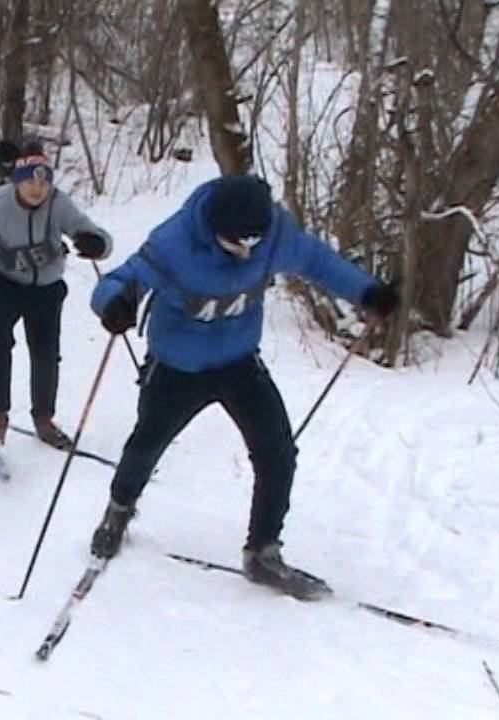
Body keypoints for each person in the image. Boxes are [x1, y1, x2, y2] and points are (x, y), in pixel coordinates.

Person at [86, 174, 399, 599]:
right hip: (178, 365)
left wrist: (367, 291)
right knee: (146, 444)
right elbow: (120, 280)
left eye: (255, 243)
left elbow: (317, 261)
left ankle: (263, 553)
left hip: (238, 360)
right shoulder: (175, 243)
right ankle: (117, 512)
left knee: (278, 452)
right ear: (216, 229)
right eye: (237, 244)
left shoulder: (273, 231)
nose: (248, 252)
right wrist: (114, 304)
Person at [0, 139, 114, 452]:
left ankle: (44, 420)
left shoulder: (58, 203)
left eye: (43, 182)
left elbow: (97, 236)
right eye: (29, 181)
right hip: (4, 282)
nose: (37, 189)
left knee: (45, 353)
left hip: (47, 287)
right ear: (17, 180)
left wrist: (95, 243)